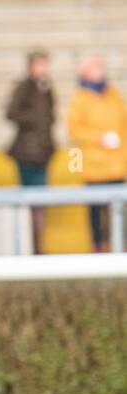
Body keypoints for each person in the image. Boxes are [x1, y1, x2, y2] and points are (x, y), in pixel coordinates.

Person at [66, 54, 127, 251]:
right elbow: (74, 129)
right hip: (93, 166)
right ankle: (98, 249)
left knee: (119, 214)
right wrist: (100, 137)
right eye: (95, 67)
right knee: (96, 216)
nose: (100, 71)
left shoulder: (114, 95)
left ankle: (119, 248)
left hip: (117, 166)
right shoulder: (80, 99)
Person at [5, 50, 56, 251]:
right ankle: (31, 249)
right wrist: (34, 120)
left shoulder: (47, 87)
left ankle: (38, 248)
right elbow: (11, 113)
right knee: (30, 203)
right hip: (27, 154)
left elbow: (50, 117)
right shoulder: (24, 87)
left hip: (43, 153)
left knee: (40, 204)